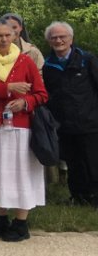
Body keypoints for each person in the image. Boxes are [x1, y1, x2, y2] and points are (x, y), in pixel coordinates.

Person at [0, 19, 49, 242]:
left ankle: (21, 222)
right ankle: (0, 219)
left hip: (19, 127)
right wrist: (8, 88)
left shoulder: (26, 61)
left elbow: (42, 94)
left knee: (20, 173)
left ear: (15, 36)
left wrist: (25, 103)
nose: (4, 39)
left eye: (8, 35)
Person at [42, 21, 98, 206]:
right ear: (49, 41)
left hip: (89, 121)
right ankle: (78, 197)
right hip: (64, 124)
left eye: (62, 37)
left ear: (71, 39)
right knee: (73, 163)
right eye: (54, 38)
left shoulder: (86, 59)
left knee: (92, 162)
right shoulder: (48, 65)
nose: (58, 40)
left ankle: (95, 198)